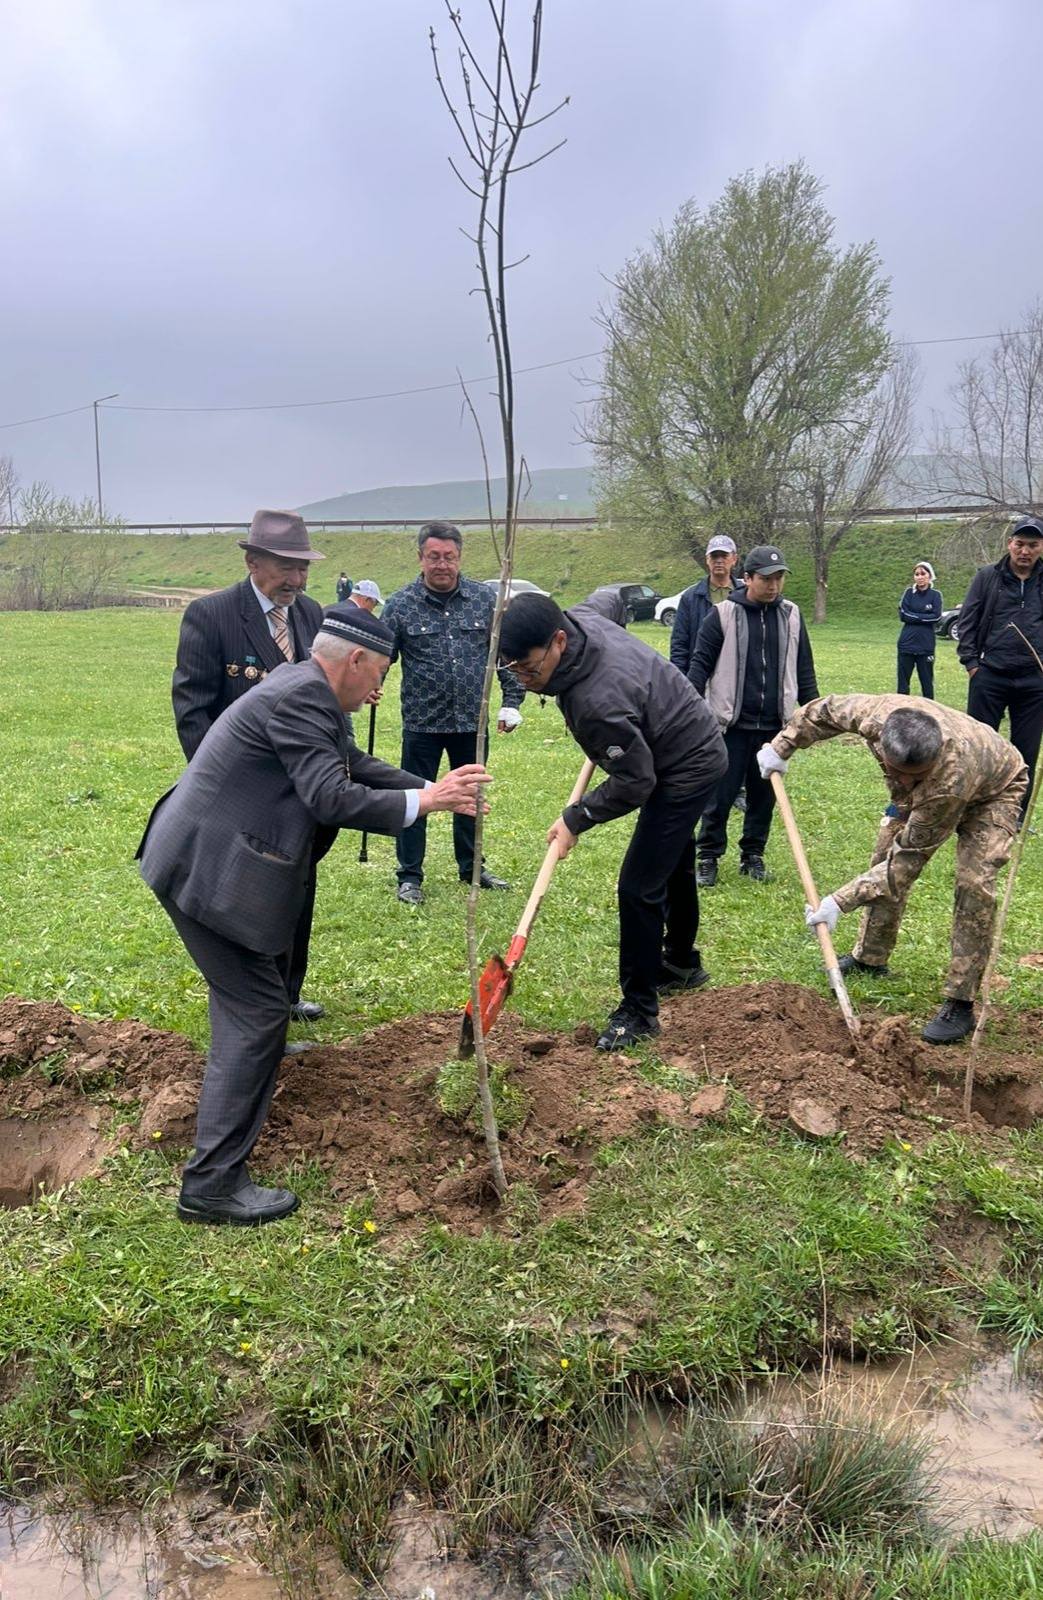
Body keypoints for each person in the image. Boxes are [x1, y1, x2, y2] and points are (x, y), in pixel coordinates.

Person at [138, 605, 491, 1225]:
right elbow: (331, 795)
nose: (380, 688)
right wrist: (426, 800)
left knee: (253, 1009)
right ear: (354, 660)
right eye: (379, 672)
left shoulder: (304, 686)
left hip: (202, 855)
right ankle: (211, 1185)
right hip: (209, 868)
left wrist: (433, 789)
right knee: (255, 1013)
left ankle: (237, 1109)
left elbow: (349, 765)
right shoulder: (303, 698)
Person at [496, 589, 728, 1051]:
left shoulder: (597, 701)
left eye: (528, 667)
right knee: (672, 861)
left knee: (639, 885)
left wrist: (576, 818)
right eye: (512, 669)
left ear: (559, 640)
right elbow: (610, 599)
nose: (522, 678)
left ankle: (638, 1012)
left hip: (686, 765)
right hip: (669, 742)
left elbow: (635, 783)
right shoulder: (583, 617)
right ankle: (681, 962)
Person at [758, 696, 1027, 1044]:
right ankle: (870, 956)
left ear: (929, 765)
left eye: (912, 776)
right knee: (883, 852)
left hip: (996, 788)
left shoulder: (947, 781)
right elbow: (822, 712)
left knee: (974, 883)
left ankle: (960, 1000)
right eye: (895, 770)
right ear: (882, 741)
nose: (900, 779)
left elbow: (906, 863)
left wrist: (838, 901)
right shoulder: (873, 714)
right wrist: (782, 746)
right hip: (946, 774)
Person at [171, 509, 328, 1023]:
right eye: (286, 566)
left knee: (297, 892)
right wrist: (225, 791)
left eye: (303, 568)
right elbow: (193, 712)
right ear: (253, 559)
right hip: (242, 801)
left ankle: (287, 994)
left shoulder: (311, 615)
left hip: (300, 795)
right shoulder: (211, 615)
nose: (296, 580)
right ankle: (253, 1002)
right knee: (249, 903)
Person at [381, 522, 524, 905]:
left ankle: (473, 868)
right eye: (434, 557)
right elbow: (381, 658)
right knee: (415, 799)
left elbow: (505, 655)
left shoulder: (484, 599)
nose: (442, 565)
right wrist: (371, 685)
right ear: (420, 558)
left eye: (449, 557)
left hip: (471, 725)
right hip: (422, 724)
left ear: (459, 558)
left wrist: (512, 701)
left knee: (471, 798)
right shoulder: (399, 604)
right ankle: (409, 876)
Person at [690, 545, 817, 887]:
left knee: (763, 798)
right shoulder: (722, 615)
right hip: (730, 725)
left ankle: (753, 855)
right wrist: (692, 713)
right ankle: (708, 857)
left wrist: (814, 714)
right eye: (766, 578)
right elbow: (699, 667)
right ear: (746, 578)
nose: (774, 585)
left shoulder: (791, 615)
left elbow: (804, 668)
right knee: (720, 796)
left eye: (779, 578)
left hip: (775, 727)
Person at [958, 516, 1043, 827]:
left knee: (1026, 749)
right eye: (1019, 544)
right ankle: (973, 808)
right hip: (989, 675)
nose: (1025, 551)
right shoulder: (987, 577)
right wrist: (971, 664)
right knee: (980, 746)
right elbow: (967, 621)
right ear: (1010, 544)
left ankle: (1014, 815)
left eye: (1032, 545)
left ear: (1041, 547)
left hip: (1035, 680)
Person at [669, 533, 745, 677]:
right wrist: (680, 681)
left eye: (724, 556)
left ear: (734, 559)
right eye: (714, 556)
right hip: (702, 673)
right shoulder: (690, 598)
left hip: (737, 674)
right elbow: (679, 644)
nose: (719, 561)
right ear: (707, 560)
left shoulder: (745, 594)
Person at [896, 561, 942, 697]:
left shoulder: (935, 595)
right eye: (917, 574)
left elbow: (936, 617)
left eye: (923, 573)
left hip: (925, 645)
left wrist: (915, 616)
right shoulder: (909, 593)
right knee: (903, 685)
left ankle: (930, 713)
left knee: (927, 683)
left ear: (929, 575)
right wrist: (923, 617)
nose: (920, 577)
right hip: (906, 644)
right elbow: (903, 614)